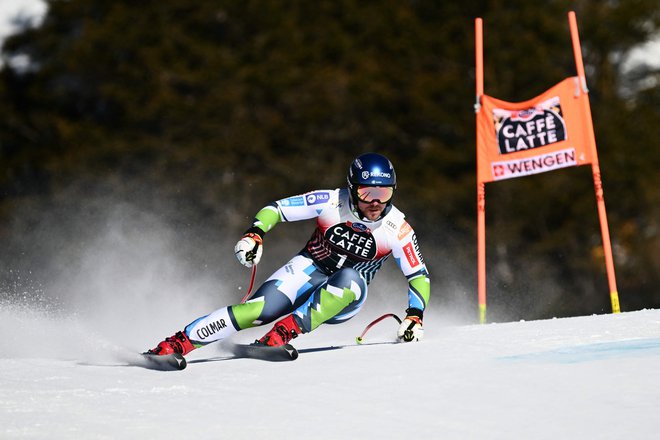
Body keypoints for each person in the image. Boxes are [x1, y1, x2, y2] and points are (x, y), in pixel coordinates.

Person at [147, 152, 430, 356]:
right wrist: (255, 233)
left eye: (385, 193)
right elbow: (277, 209)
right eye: (368, 193)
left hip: (346, 297)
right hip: (310, 268)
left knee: (351, 277)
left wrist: (415, 315)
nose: (376, 203)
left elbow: (418, 274)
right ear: (352, 189)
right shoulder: (331, 201)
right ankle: (179, 342)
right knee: (258, 311)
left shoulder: (397, 228)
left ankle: (284, 332)